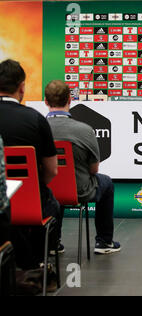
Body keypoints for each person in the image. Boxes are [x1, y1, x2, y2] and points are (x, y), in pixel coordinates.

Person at [44, 80, 120, 255]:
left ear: (46, 102)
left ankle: (53, 242)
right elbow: (94, 170)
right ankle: (104, 242)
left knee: (56, 184)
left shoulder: (38, 128)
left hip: (46, 191)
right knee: (106, 182)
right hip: (80, 190)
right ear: (70, 100)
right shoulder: (85, 130)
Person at [0, 59, 61, 269]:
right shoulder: (35, 119)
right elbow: (52, 170)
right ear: (22, 87)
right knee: (52, 204)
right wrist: (35, 186)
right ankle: (34, 265)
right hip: (29, 204)